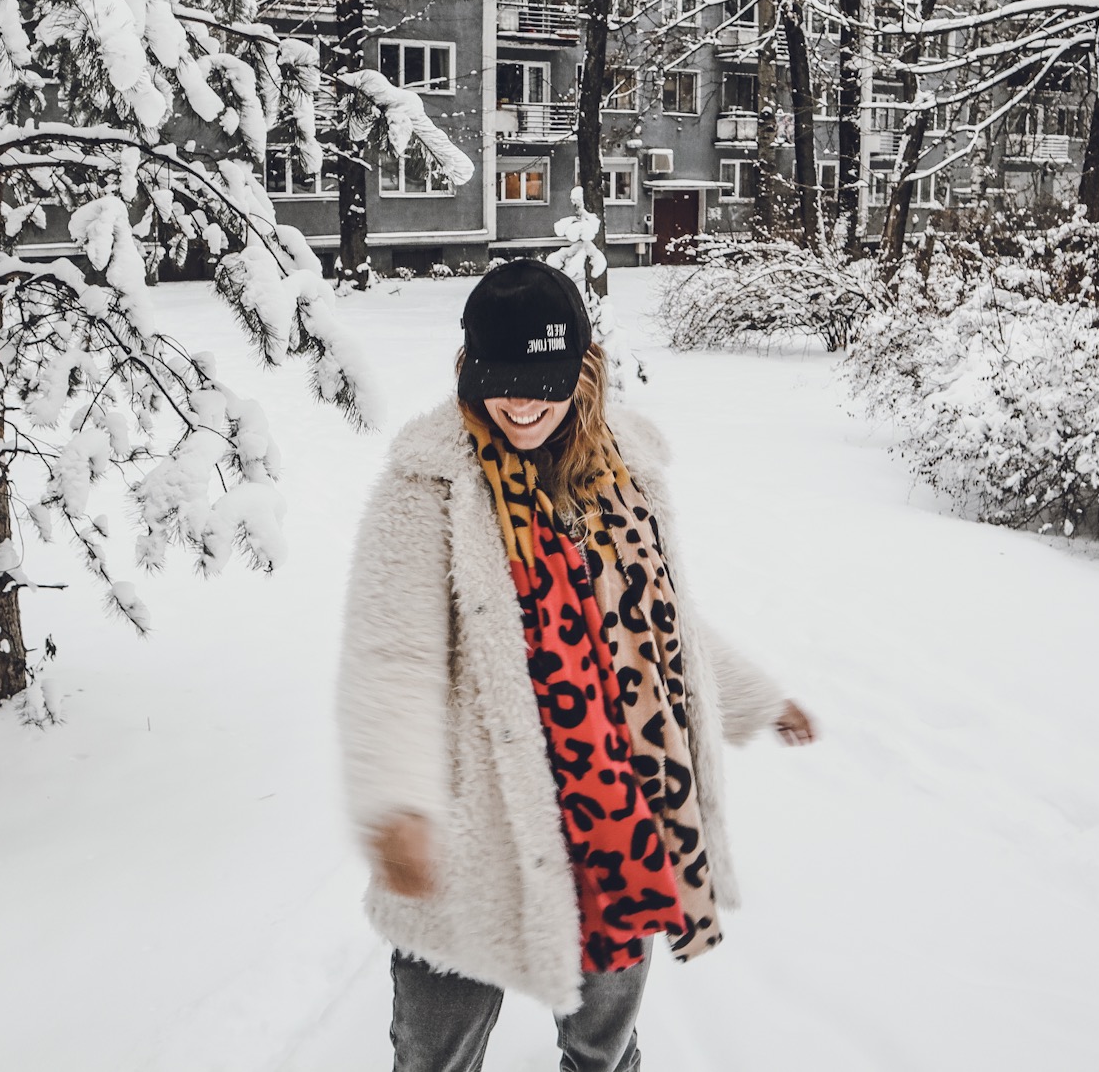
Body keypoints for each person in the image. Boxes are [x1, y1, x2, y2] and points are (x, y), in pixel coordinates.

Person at [338, 259, 815, 1072]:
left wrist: (756, 699)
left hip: (615, 808)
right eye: (499, 377)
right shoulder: (428, 489)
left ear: (582, 372)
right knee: (434, 1048)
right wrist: (398, 802)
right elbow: (393, 652)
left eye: (544, 379)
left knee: (605, 1043)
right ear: (468, 368)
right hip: (478, 816)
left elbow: (664, 621)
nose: (521, 400)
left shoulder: (625, 477)